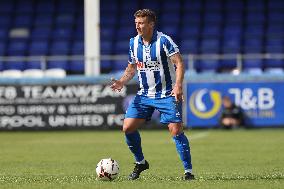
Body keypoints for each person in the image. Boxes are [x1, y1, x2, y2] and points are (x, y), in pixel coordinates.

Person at [110, 9, 194, 180]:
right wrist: (121, 81)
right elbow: (132, 67)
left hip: (167, 94)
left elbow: (179, 63)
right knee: (127, 128)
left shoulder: (164, 40)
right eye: (136, 23)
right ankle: (141, 162)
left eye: (141, 23)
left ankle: (188, 172)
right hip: (145, 95)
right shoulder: (133, 43)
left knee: (176, 130)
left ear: (151, 24)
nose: (138, 26)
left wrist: (178, 86)